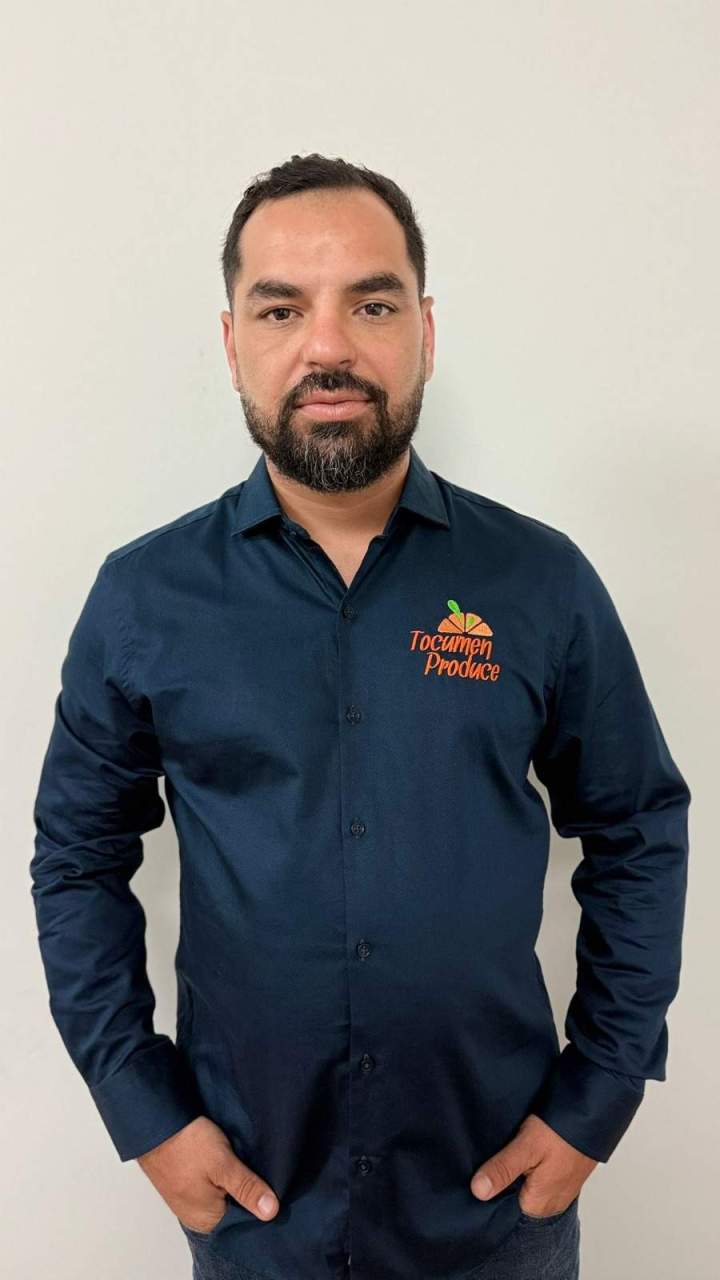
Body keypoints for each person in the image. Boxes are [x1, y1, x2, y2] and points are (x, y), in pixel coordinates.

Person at [30, 153, 691, 1280]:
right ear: (232, 342)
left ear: (424, 331)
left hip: (497, 1213)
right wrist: (142, 1108)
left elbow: (636, 827)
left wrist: (601, 1092)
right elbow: (77, 857)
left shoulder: (541, 583)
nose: (326, 346)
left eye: (372, 305)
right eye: (281, 308)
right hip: (257, 1212)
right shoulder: (143, 598)